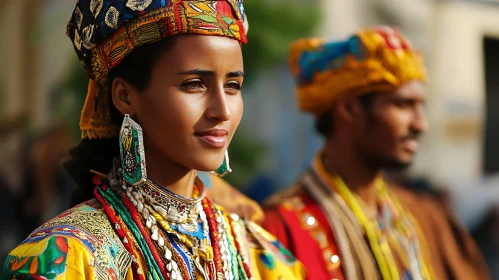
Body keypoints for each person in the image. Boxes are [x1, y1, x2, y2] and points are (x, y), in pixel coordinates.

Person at [1, 1, 305, 279]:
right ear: (125, 96)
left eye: (233, 85)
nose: (222, 111)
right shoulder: (63, 261)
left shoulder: (262, 257)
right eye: (194, 84)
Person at [262, 26, 490, 280]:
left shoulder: (426, 218)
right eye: (403, 104)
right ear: (349, 109)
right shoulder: (281, 231)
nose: (420, 124)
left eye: (420, 106)